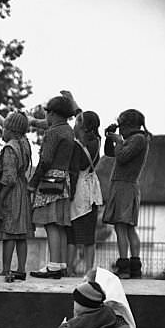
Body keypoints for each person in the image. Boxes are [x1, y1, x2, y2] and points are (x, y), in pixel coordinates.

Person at [28, 95, 78, 278]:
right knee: (60, 224)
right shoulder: (69, 130)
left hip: (50, 180)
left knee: (50, 223)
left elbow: (46, 159)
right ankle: (61, 263)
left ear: (54, 113)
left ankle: (53, 266)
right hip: (64, 180)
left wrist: (33, 182)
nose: (46, 116)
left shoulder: (53, 132)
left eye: (47, 112)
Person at [102, 109, 151, 279]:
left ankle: (124, 267)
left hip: (125, 186)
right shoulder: (135, 139)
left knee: (121, 227)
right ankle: (135, 267)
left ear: (129, 125)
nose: (120, 129)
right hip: (125, 186)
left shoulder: (138, 139)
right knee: (128, 228)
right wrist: (110, 138)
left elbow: (121, 157)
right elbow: (110, 153)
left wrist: (118, 141)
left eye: (121, 125)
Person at [0, 111, 33, 281]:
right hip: (23, 189)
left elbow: (9, 178)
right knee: (22, 233)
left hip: (12, 193)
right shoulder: (24, 143)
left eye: (3, 127)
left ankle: (5, 269)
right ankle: (21, 269)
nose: (1, 131)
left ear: (10, 129)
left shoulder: (9, 147)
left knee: (9, 232)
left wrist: (0, 199)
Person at [67, 111, 104, 276]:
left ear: (83, 126)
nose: (74, 124)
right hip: (92, 191)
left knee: (72, 234)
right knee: (89, 235)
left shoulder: (76, 146)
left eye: (76, 122)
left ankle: (69, 268)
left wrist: (71, 193)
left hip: (79, 190)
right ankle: (89, 271)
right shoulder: (96, 142)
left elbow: (75, 171)